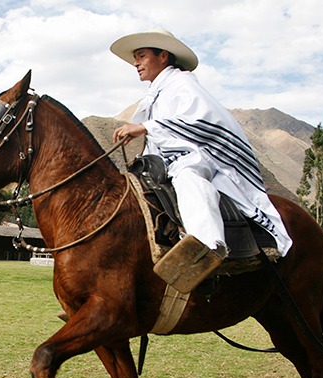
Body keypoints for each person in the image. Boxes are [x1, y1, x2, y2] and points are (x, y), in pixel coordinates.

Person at [110, 29, 292, 288]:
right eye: (135, 58)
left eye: (141, 56)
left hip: (201, 157)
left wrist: (146, 128)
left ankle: (207, 250)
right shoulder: (157, 93)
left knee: (188, 176)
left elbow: (201, 121)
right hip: (168, 161)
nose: (136, 63)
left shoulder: (182, 83)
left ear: (163, 56)